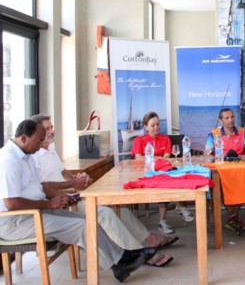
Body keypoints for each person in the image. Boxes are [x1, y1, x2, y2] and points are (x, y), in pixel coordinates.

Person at [0, 119, 156, 282]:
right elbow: (12, 204)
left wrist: (60, 198)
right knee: (82, 227)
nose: (40, 145)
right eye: (38, 141)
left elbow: (41, 186)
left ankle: (121, 260)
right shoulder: (8, 160)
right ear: (23, 138)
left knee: (90, 220)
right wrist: (49, 203)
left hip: (36, 211)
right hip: (14, 221)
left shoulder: (27, 156)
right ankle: (120, 261)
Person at [31, 114, 176, 266]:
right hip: (61, 201)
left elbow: (64, 173)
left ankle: (149, 239)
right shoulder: (34, 156)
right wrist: (71, 191)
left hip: (72, 194)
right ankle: (138, 252)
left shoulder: (51, 150)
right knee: (105, 213)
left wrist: (78, 180)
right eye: (47, 129)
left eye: (52, 127)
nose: (52, 131)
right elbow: (42, 188)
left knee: (117, 205)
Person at [132, 112, 193, 234]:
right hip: (146, 173)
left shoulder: (165, 138)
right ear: (146, 126)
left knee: (167, 181)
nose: (156, 128)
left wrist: (151, 157)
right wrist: (155, 159)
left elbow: (166, 157)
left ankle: (163, 221)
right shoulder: (139, 140)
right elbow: (138, 158)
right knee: (164, 181)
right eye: (153, 125)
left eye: (158, 124)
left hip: (162, 172)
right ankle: (181, 208)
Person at [207, 108, 245, 234]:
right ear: (221, 120)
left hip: (239, 168)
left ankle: (233, 217)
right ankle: (233, 217)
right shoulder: (214, 133)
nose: (231, 120)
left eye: (232, 117)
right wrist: (220, 158)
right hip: (221, 168)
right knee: (223, 184)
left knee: (238, 183)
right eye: (227, 118)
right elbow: (207, 155)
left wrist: (241, 156)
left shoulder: (242, 131)